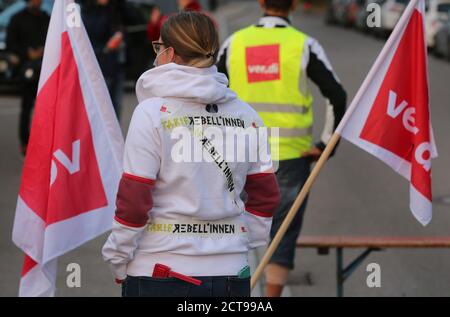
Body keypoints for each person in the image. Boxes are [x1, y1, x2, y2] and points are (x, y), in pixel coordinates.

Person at [102, 12, 280, 297]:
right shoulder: (248, 115)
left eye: (158, 47)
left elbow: (134, 199)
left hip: (159, 269)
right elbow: (266, 194)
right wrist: (244, 242)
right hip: (231, 273)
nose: (156, 54)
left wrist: (117, 257)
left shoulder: (150, 113)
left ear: (170, 54)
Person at [217, 0, 347, 297]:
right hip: (290, 157)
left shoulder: (235, 42)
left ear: (261, 3)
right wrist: (326, 144)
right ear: (294, 5)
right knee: (283, 235)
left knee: (230, 229)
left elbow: (211, 91)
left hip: (240, 156)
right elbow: (337, 96)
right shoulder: (304, 44)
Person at [6, 0, 50, 156]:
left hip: (46, 69)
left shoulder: (46, 18)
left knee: (46, 108)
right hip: (26, 70)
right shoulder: (17, 18)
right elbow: (10, 44)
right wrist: (27, 53)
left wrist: (43, 51)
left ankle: (45, 141)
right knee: (26, 107)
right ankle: (25, 141)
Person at [83, 0, 124, 120]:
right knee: (101, 106)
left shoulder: (114, 10)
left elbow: (127, 21)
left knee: (116, 105)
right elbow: (87, 42)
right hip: (99, 66)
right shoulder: (87, 13)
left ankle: (115, 137)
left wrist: (119, 35)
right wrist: (106, 48)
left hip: (115, 65)